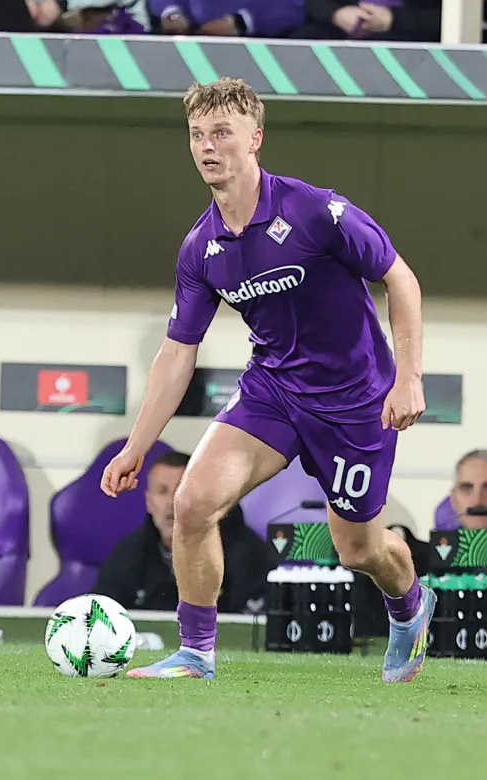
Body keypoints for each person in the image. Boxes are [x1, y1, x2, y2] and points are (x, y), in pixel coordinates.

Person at [101, 76, 429, 682]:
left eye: (221, 133)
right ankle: (196, 654)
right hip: (273, 390)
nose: (207, 146)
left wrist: (408, 376)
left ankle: (409, 606)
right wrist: (137, 446)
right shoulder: (201, 247)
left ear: (255, 138)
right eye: (197, 135)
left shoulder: (315, 212)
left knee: (358, 550)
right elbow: (178, 352)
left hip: (355, 401)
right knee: (192, 504)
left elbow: (400, 278)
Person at [92, 451, 269, 613]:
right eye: (162, 491)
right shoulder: (129, 553)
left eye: (180, 490)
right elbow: (99, 617)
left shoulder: (245, 552)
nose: (171, 502)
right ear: (149, 502)